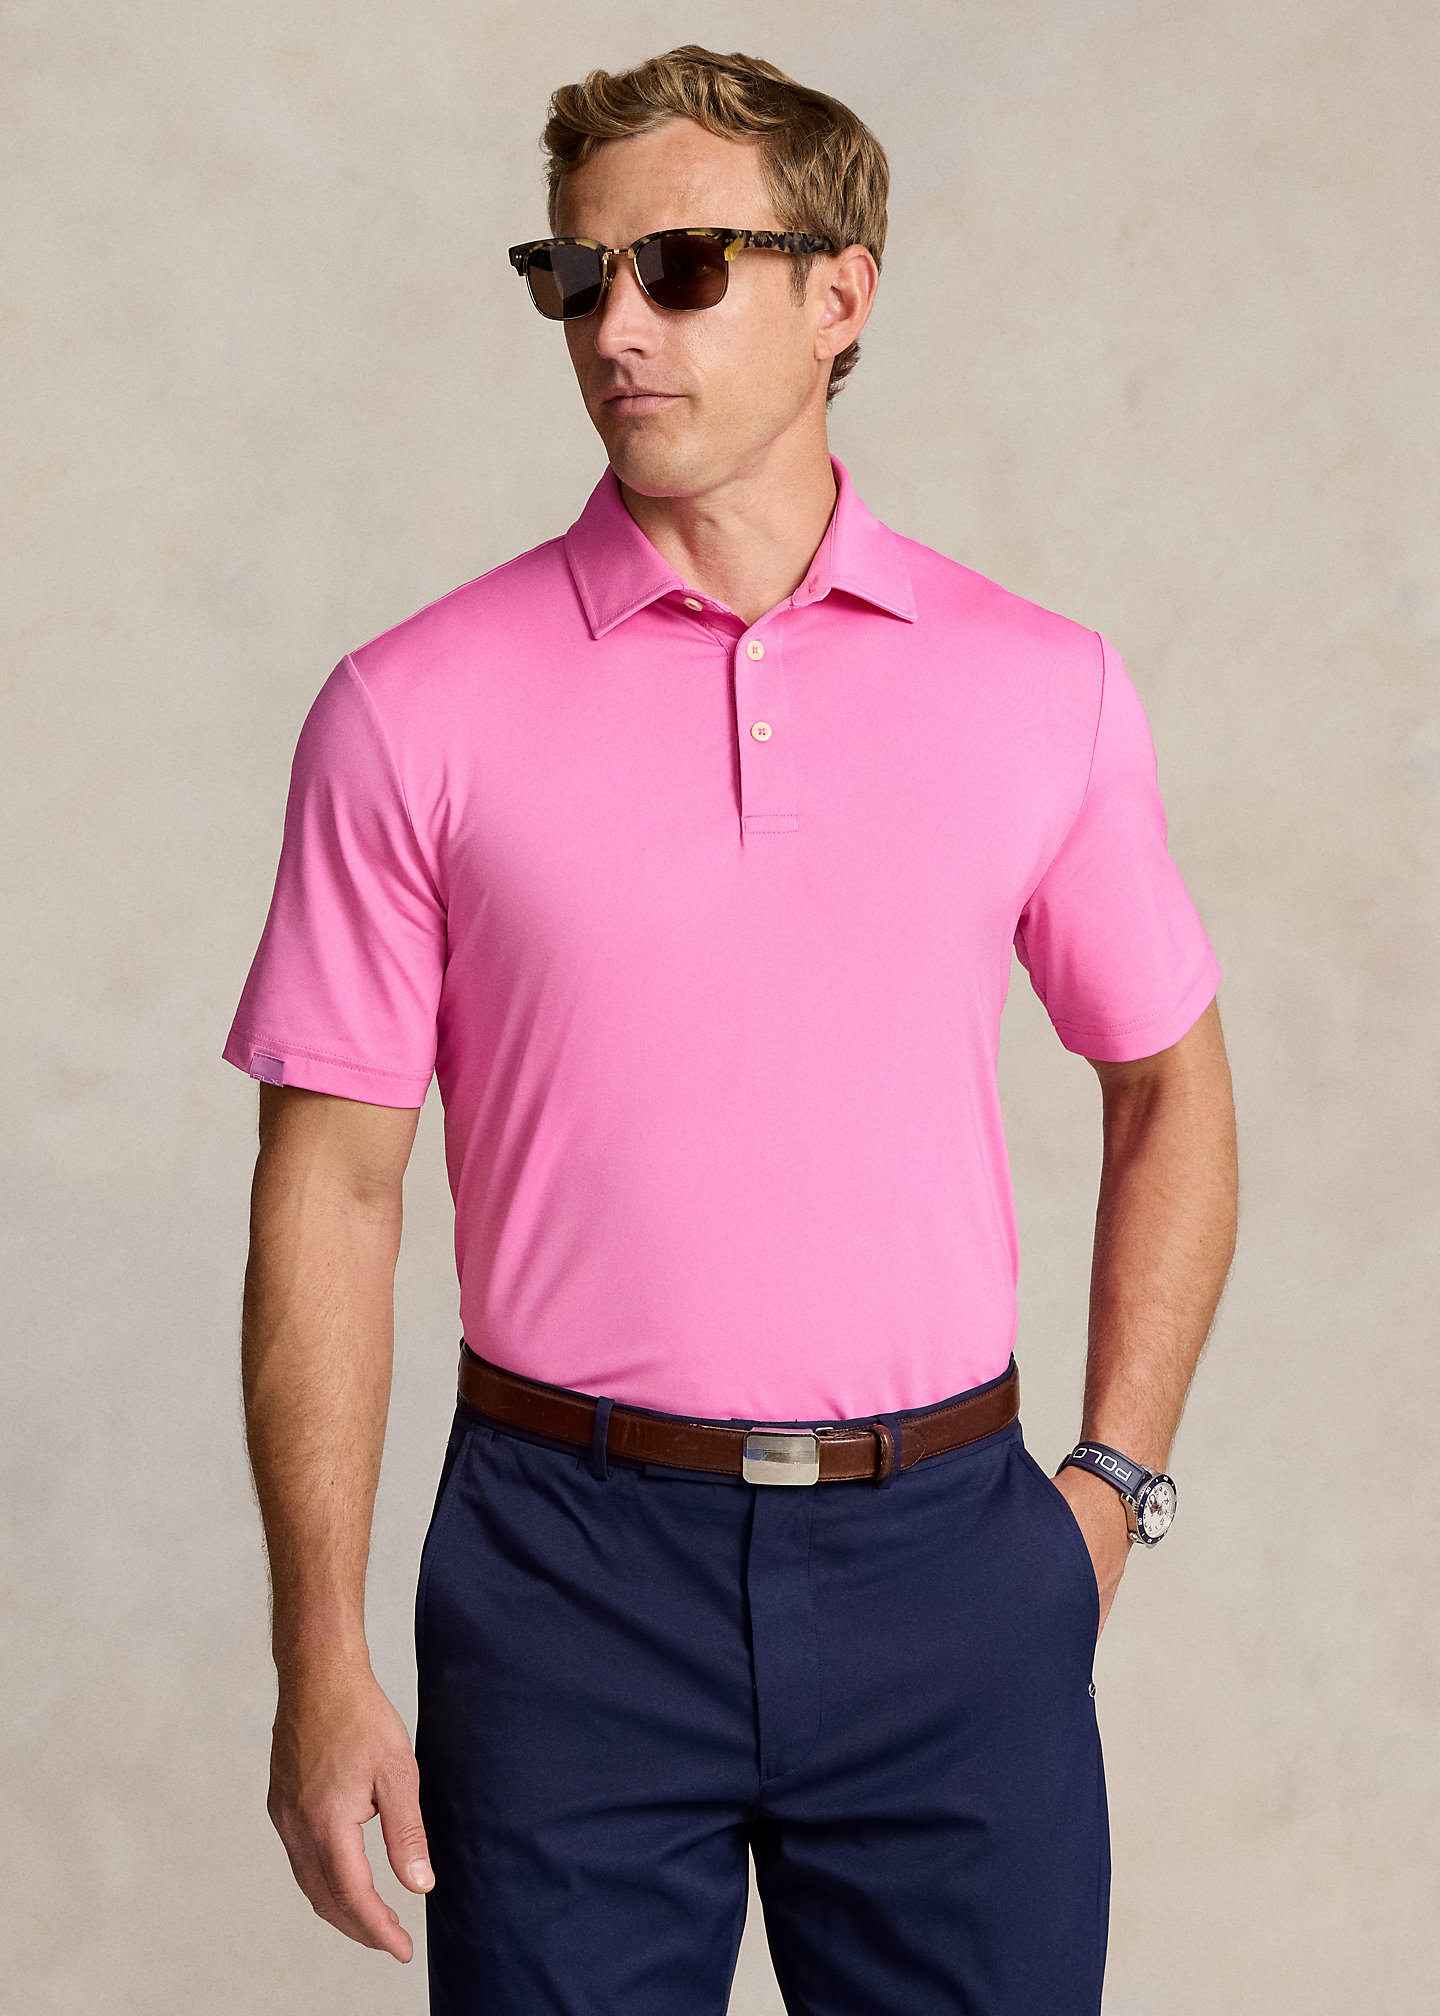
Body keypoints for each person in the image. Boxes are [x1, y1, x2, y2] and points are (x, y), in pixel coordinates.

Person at [226, 43, 1238, 2016]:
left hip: (951, 1563)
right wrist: (318, 1654)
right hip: (563, 1577)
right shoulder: (409, 710)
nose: (615, 328)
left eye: (681, 268)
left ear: (840, 292)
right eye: (574, 275)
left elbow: (1169, 1086)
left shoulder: (1040, 688)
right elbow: (331, 1191)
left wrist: (1109, 1494)